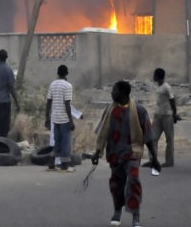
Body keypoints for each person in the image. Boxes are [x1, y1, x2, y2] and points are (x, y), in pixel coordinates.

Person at [91, 81, 160, 227]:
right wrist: (97, 152)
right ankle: (117, 210)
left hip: (132, 152)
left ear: (123, 93)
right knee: (117, 184)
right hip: (114, 153)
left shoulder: (139, 111)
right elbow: (102, 134)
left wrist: (154, 157)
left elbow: (147, 136)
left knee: (133, 180)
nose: (111, 93)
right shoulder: (109, 110)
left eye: (114, 90)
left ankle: (136, 216)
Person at [143, 68, 178, 168]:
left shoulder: (167, 87)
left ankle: (169, 161)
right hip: (158, 115)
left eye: (154, 75)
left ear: (158, 76)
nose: (153, 77)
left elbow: (172, 101)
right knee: (153, 138)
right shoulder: (158, 87)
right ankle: (152, 160)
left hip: (167, 116)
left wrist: (174, 115)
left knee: (169, 139)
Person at [45, 65, 75, 171]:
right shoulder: (68, 86)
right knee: (65, 142)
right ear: (67, 73)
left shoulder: (52, 84)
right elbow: (67, 104)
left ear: (58, 73)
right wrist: (71, 120)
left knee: (57, 141)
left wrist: (47, 118)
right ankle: (64, 164)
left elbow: (48, 102)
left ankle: (51, 161)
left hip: (55, 118)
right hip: (64, 119)